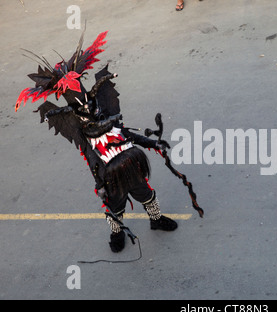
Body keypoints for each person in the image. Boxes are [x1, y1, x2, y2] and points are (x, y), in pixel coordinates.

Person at [15, 31, 178, 253]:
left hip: (132, 168)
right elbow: (92, 161)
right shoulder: (84, 136)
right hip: (110, 178)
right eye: (84, 112)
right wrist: (100, 185)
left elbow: (128, 135)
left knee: (147, 195)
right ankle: (117, 232)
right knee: (114, 209)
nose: (90, 112)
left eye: (92, 107)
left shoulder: (108, 117)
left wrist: (152, 144)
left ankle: (156, 219)